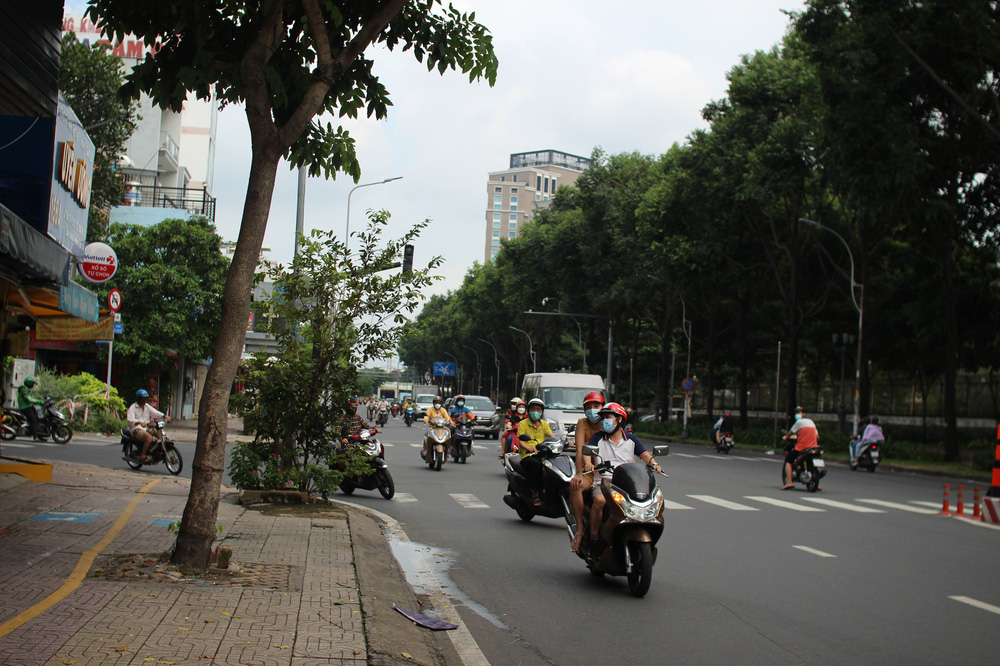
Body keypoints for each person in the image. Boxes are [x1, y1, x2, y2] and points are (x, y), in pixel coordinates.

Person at [580, 402, 661, 555]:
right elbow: (587, 452)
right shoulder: (598, 438)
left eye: (608, 417)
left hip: (627, 482)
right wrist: (588, 463)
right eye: (603, 418)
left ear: (619, 419)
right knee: (599, 501)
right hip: (604, 482)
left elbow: (644, 454)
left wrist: (654, 464)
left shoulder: (631, 439)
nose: (605, 421)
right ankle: (595, 538)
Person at [569, 390, 605, 551]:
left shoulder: (609, 422)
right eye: (588, 407)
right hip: (590, 471)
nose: (592, 410)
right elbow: (579, 450)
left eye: (596, 406)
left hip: (610, 471)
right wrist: (579, 473)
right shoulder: (582, 424)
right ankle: (581, 529)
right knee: (576, 486)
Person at [515, 398, 553, 506]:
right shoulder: (523, 424)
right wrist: (529, 447)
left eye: (538, 409)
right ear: (528, 411)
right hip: (528, 456)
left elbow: (552, 436)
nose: (535, 412)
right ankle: (535, 493)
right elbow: (521, 441)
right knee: (537, 465)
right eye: (533, 409)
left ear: (542, 412)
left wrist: (565, 441)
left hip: (542, 454)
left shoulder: (544, 424)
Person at [781, 406, 819, 490]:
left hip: (802, 447)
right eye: (796, 413)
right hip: (813, 447)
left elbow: (790, 434)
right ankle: (818, 484)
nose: (797, 415)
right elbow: (817, 436)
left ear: (803, 414)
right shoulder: (811, 422)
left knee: (788, 460)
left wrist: (786, 437)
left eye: (799, 413)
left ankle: (789, 482)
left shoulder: (799, 423)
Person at [126, 389, 166, 463]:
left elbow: (155, 413)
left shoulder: (147, 406)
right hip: (136, 429)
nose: (144, 401)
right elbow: (130, 419)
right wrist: (139, 422)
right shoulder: (133, 407)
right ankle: (143, 455)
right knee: (149, 438)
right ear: (138, 399)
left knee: (159, 433)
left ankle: (158, 449)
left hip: (146, 428)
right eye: (143, 399)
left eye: (146, 399)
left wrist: (164, 416)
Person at [422, 396, 451, 460]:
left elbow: (447, 418)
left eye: (439, 403)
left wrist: (450, 422)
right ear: (434, 403)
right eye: (436, 403)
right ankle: (426, 450)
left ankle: (447, 450)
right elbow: (427, 416)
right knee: (427, 436)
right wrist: (426, 420)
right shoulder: (430, 409)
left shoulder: (443, 410)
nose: (437, 404)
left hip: (442, 428)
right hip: (433, 428)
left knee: (448, 435)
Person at [16, 376, 44, 440]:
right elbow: (29, 399)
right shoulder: (24, 390)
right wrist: (40, 401)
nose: (33, 385)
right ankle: (35, 437)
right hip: (25, 408)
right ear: (29, 383)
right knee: (33, 420)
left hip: (29, 406)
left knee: (37, 419)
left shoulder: (26, 389)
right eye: (32, 384)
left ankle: (40, 434)